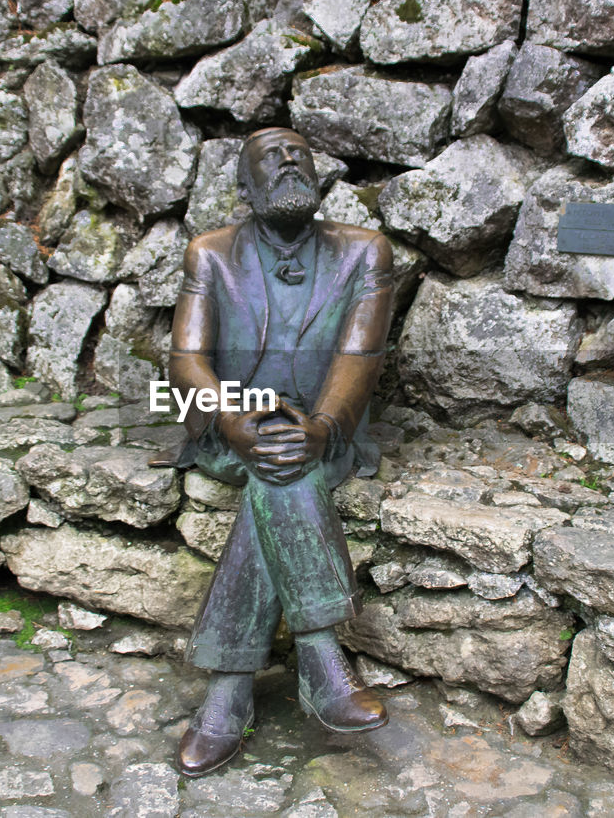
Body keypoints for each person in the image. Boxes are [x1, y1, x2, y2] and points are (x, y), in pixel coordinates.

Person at [168, 127, 395, 776]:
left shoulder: (364, 253)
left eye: (299, 154)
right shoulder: (209, 255)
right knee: (279, 465)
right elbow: (185, 358)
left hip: (324, 427)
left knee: (283, 471)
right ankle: (324, 667)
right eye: (271, 157)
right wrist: (232, 419)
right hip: (228, 424)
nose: (290, 161)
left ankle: (227, 696)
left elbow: (361, 356)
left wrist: (322, 426)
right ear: (245, 187)